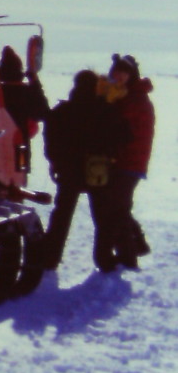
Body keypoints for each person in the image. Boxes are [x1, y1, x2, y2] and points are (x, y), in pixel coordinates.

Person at [41, 70, 126, 271]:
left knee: (61, 217)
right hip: (96, 171)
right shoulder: (104, 109)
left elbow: (50, 139)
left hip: (68, 172)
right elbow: (123, 136)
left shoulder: (62, 110)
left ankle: (49, 259)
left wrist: (56, 162)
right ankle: (104, 260)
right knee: (102, 218)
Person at [97, 53, 155, 270]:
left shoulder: (134, 99)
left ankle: (130, 258)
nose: (118, 76)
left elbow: (116, 122)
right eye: (116, 72)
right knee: (120, 207)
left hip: (129, 161)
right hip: (125, 160)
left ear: (131, 75)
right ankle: (138, 244)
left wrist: (107, 98)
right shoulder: (126, 95)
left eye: (123, 72)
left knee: (118, 209)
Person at [0, 46, 50, 170]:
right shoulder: (25, 93)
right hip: (19, 147)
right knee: (18, 178)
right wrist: (35, 83)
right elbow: (43, 113)